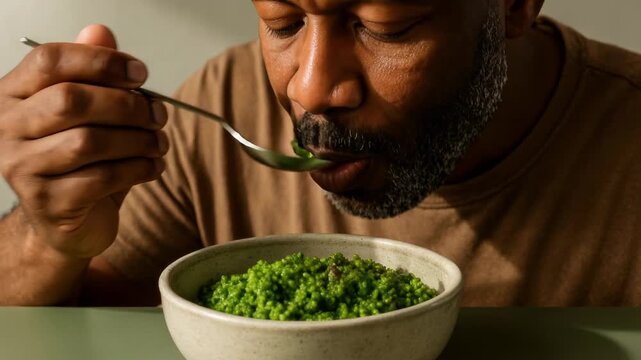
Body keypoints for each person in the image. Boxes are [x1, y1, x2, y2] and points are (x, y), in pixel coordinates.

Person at [1, 0, 640, 307]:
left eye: (384, 27)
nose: (310, 87)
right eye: (284, 23)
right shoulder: (219, 105)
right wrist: (46, 238)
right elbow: (85, 314)